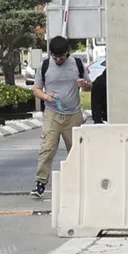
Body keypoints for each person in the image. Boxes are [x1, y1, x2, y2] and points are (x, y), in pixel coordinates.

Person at [31, 36, 91, 199]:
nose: (58, 60)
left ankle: (80, 182)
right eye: (55, 57)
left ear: (67, 53)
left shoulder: (77, 64)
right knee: (47, 148)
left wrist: (84, 85)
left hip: (73, 115)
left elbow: (90, 86)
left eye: (61, 57)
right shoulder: (44, 66)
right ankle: (40, 183)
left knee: (76, 151)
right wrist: (45, 96)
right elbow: (36, 89)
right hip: (52, 113)